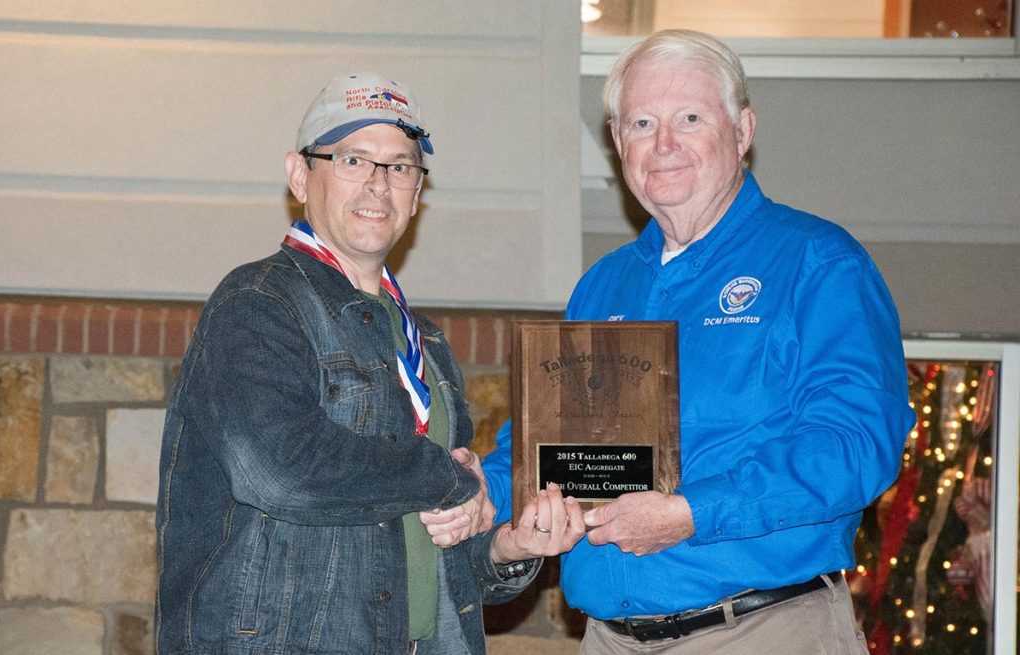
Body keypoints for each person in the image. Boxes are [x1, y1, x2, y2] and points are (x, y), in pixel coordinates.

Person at [483, 30, 915, 654]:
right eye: (641, 123)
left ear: (742, 130)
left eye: (689, 117)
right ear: (617, 142)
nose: (664, 144)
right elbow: (543, 449)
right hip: (608, 640)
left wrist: (691, 512)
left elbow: (854, 446)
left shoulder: (817, 263)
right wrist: (477, 492)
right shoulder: (601, 287)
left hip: (760, 632)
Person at [155, 72, 585, 655]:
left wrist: (507, 548)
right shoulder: (257, 304)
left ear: (416, 192)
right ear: (299, 175)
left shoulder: (424, 341)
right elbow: (281, 470)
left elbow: (429, 542)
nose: (379, 186)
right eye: (353, 160)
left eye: (400, 167)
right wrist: (450, 478)